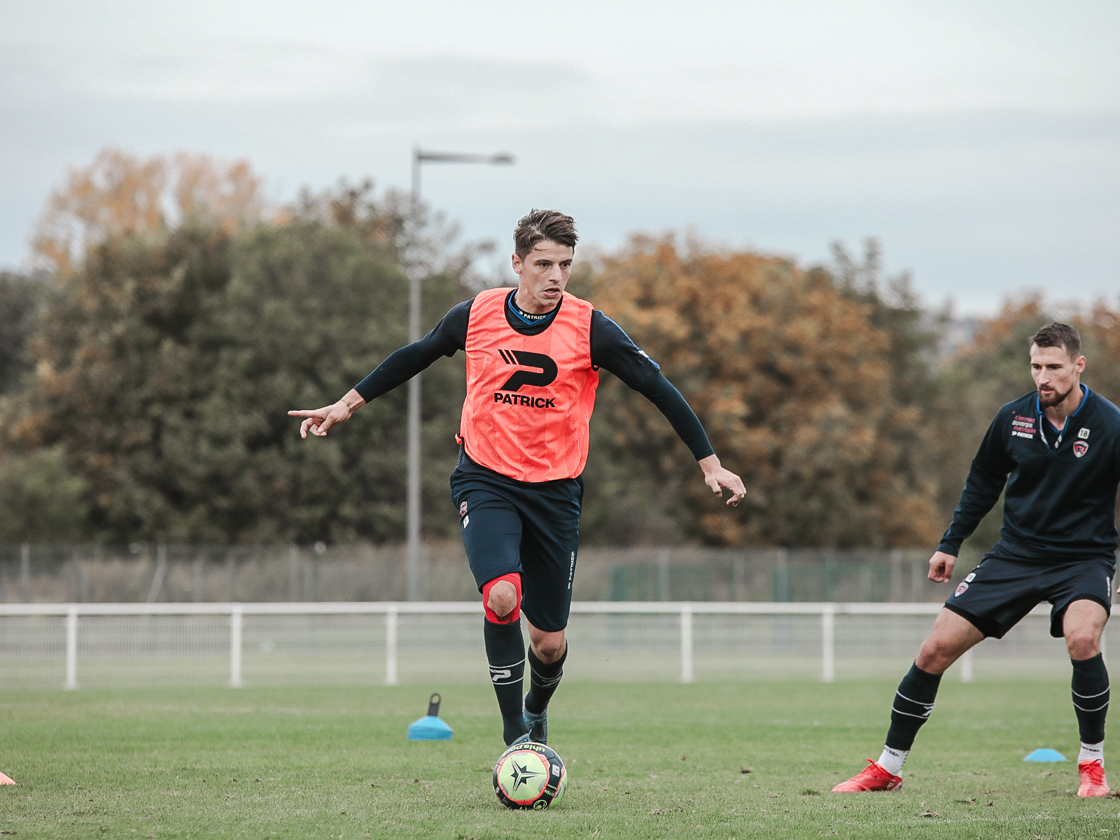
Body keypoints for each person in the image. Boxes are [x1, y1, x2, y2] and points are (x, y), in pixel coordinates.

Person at [289, 209, 746, 747]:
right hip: (486, 479)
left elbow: (657, 386)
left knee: (549, 643)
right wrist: (347, 404)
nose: (556, 276)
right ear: (517, 263)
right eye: (544, 264)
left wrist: (710, 463)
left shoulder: (590, 327)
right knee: (502, 596)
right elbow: (416, 355)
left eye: (566, 265)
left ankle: (535, 707)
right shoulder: (476, 314)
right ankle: (516, 741)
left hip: (556, 493)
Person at [833, 322, 1120, 798]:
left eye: (1053, 367)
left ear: (1078, 366)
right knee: (932, 651)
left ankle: (1092, 764)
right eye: (1035, 367)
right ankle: (888, 768)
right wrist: (950, 543)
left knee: (1083, 639)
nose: (1043, 377)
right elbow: (982, 482)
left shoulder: (1110, 424)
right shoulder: (1013, 419)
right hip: (1016, 555)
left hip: (1083, 558)